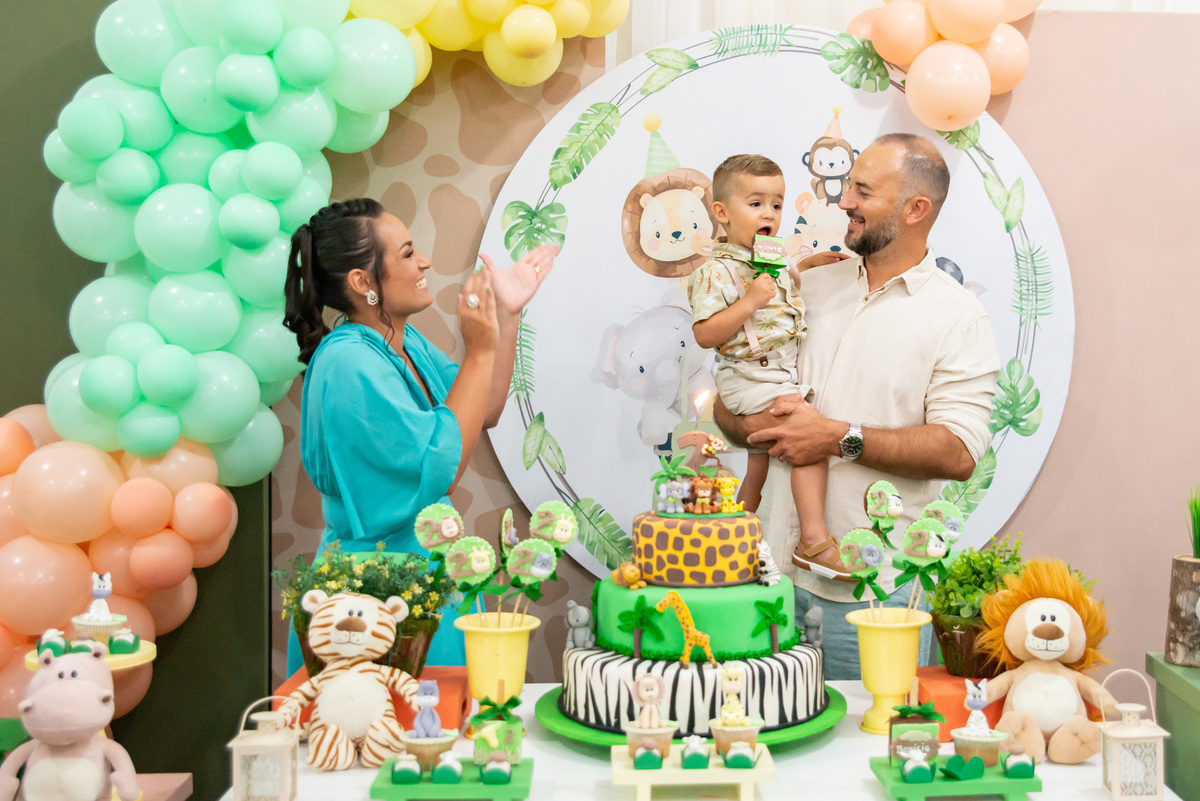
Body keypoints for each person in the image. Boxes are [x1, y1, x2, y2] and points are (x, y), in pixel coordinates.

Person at [713, 134, 1000, 679]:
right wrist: (755, 423)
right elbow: (732, 400)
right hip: (763, 580)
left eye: (862, 190)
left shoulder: (957, 315)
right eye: (847, 185)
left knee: (864, 746)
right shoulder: (804, 285)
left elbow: (959, 450)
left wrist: (837, 436)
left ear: (916, 209)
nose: (844, 200)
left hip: (870, 594)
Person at [282, 198, 556, 670]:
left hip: (428, 575)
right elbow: (438, 472)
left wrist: (506, 315)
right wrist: (477, 346)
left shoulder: (402, 343)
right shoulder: (349, 362)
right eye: (407, 253)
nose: (424, 260)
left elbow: (482, 408)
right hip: (372, 595)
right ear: (362, 282)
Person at [688, 154, 850, 579]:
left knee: (758, 466)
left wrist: (805, 270)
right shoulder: (715, 271)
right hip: (747, 374)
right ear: (721, 213)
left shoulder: (769, 259)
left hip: (778, 370)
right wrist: (749, 302)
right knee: (808, 439)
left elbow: (785, 294)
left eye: (776, 205)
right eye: (756, 203)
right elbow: (706, 335)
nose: (769, 214)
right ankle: (814, 542)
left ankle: (735, 534)